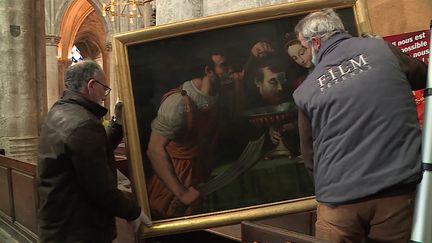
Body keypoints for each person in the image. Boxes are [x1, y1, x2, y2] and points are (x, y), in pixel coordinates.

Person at [293, 9, 428, 242]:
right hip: (395, 189)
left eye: (304, 48)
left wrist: (333, 187)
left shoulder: (306, 90)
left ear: (315, 42)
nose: (306, 56)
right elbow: (425, 76)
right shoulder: (381, 50)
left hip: (338, 202)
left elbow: (309, 156)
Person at [37, 60, 151, 243]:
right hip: (80, 232)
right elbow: (101, 188)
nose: (104, 96)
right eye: (104, 89)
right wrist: (134, 211)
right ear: (91, 85)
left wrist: (117, 124)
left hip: (60, 228)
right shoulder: (84, 123)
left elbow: (91, 150)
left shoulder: (60, 111)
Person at [146, 52, 234, 219]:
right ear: (208, 70)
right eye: (224, 65)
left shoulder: (218, 97)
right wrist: (182, 193)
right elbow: (154, 149)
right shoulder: (177, 102)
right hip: (175, 181)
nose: (230, 70)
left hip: (204, 176)